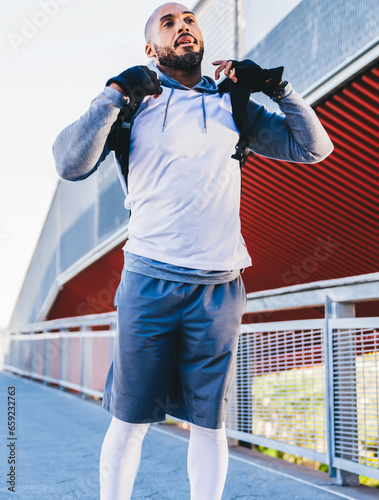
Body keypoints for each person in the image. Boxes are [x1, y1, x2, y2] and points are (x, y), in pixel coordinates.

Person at [52, 3, 333, 499]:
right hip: (149, 283)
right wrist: (113, 93)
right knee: (129, 420)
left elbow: (314, 148)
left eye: (189, 20)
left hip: (220, 289)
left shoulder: (235, 104)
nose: (183, 26)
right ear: (150, 50)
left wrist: (276, 87)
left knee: (209, 424)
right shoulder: (131, 107)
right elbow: (70, 164)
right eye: (168, 23)